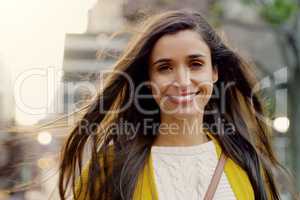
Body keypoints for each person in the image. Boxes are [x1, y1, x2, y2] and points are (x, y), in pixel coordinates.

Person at [58, 9, 292, 200]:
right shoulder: (110, 168)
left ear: (214, 72)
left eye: (195, 64)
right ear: (149, 81)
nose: (182, 81)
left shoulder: (247, 162)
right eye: (165, 68)